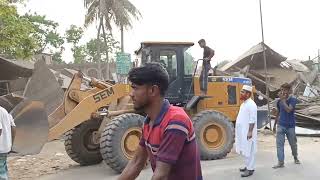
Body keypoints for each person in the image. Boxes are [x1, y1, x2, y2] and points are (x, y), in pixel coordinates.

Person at [118, 62, 202, 180]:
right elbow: (137, 162)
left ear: (153, 90)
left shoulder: (176, 121)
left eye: (135, 88)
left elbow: (161, 176)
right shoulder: (148, 122)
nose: (131, 94)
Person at [272, 83, 300, 169]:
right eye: (281, 90)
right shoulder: (279, 101)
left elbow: (288, 110)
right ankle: (280, 162)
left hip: (290, 126)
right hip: (281, 125)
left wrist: (283, 100)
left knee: (293, 144)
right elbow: (278, 113)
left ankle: (295, 157)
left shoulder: (293, 100)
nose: (283, 92)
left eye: (284, 90)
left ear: (289, 90)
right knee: (279, 145)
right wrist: (274, 125)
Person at [235, 85, 257, 177]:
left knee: (250, 150)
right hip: (243, 131)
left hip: (248, 131)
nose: (240, 93)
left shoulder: (252, 104)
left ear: (248, 94)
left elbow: (252, 119)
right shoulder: (244, 103)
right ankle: (247, 166)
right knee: (245, 149)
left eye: (242, 92)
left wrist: (250, 131)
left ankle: (250, 169)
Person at [0, 106, 16, 180]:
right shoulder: (5, 110)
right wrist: (11, 144)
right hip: (5, 147)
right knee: (3, 171)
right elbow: (13, 127)